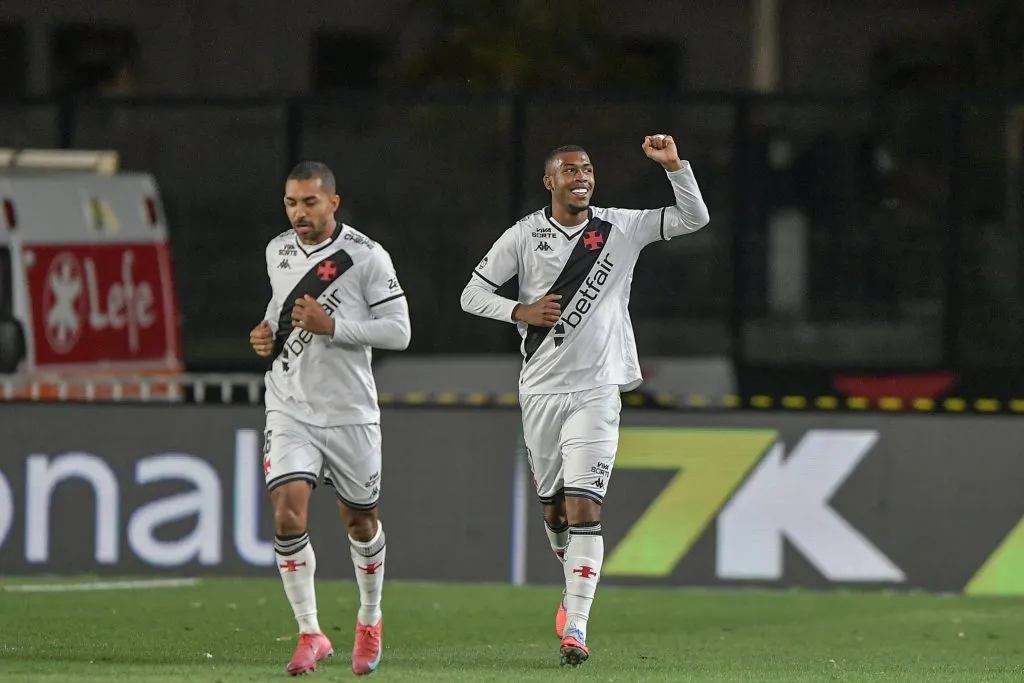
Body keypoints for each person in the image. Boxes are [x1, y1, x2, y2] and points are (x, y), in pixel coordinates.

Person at [460, 135, 710, 667]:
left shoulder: (620, 226)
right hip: (542, 391)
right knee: (554, 511)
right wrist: (519, 311)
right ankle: (569, 571)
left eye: (588, 169)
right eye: (569, 170)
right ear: (549, 181)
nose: (581, 177)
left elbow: (694, 218)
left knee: (584, 508)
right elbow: (472, 293)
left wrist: (674, 167)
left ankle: (576, 625)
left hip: (597, 391)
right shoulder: (525, 236)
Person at [249, 161, 411, 676]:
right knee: (287, 517)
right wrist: (264, 333)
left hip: (349, 413)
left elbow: (399, 331)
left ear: (333, 202)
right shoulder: (277, 250)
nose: (299, 212)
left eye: (310, 203)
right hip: (290, 403)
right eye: (292, 203)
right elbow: (280, 311)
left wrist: (334, 325)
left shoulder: (366, 257)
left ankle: (369, 618)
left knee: (361, 523)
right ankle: (311, 632)